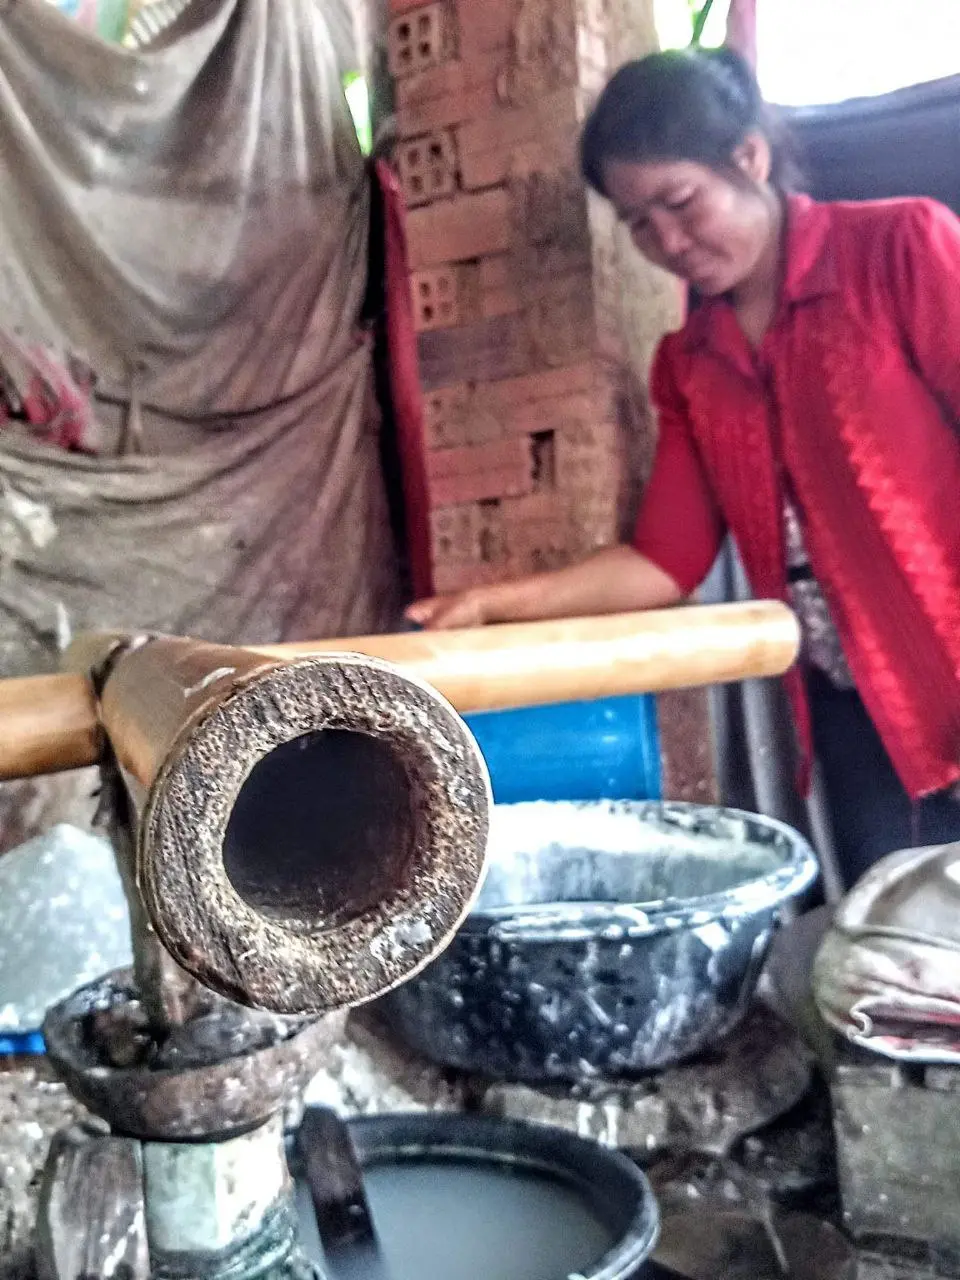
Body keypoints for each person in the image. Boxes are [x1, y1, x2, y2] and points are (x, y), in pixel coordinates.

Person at [406, 47, 960, 888]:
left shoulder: (898, 251)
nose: (667, 243)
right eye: (637, 223)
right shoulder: (692, 363)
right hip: (849, 707)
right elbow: (664, 562)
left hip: (949, 664)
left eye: (680, 202)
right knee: (896, 962)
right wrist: (497, 603)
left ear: (749, 158)